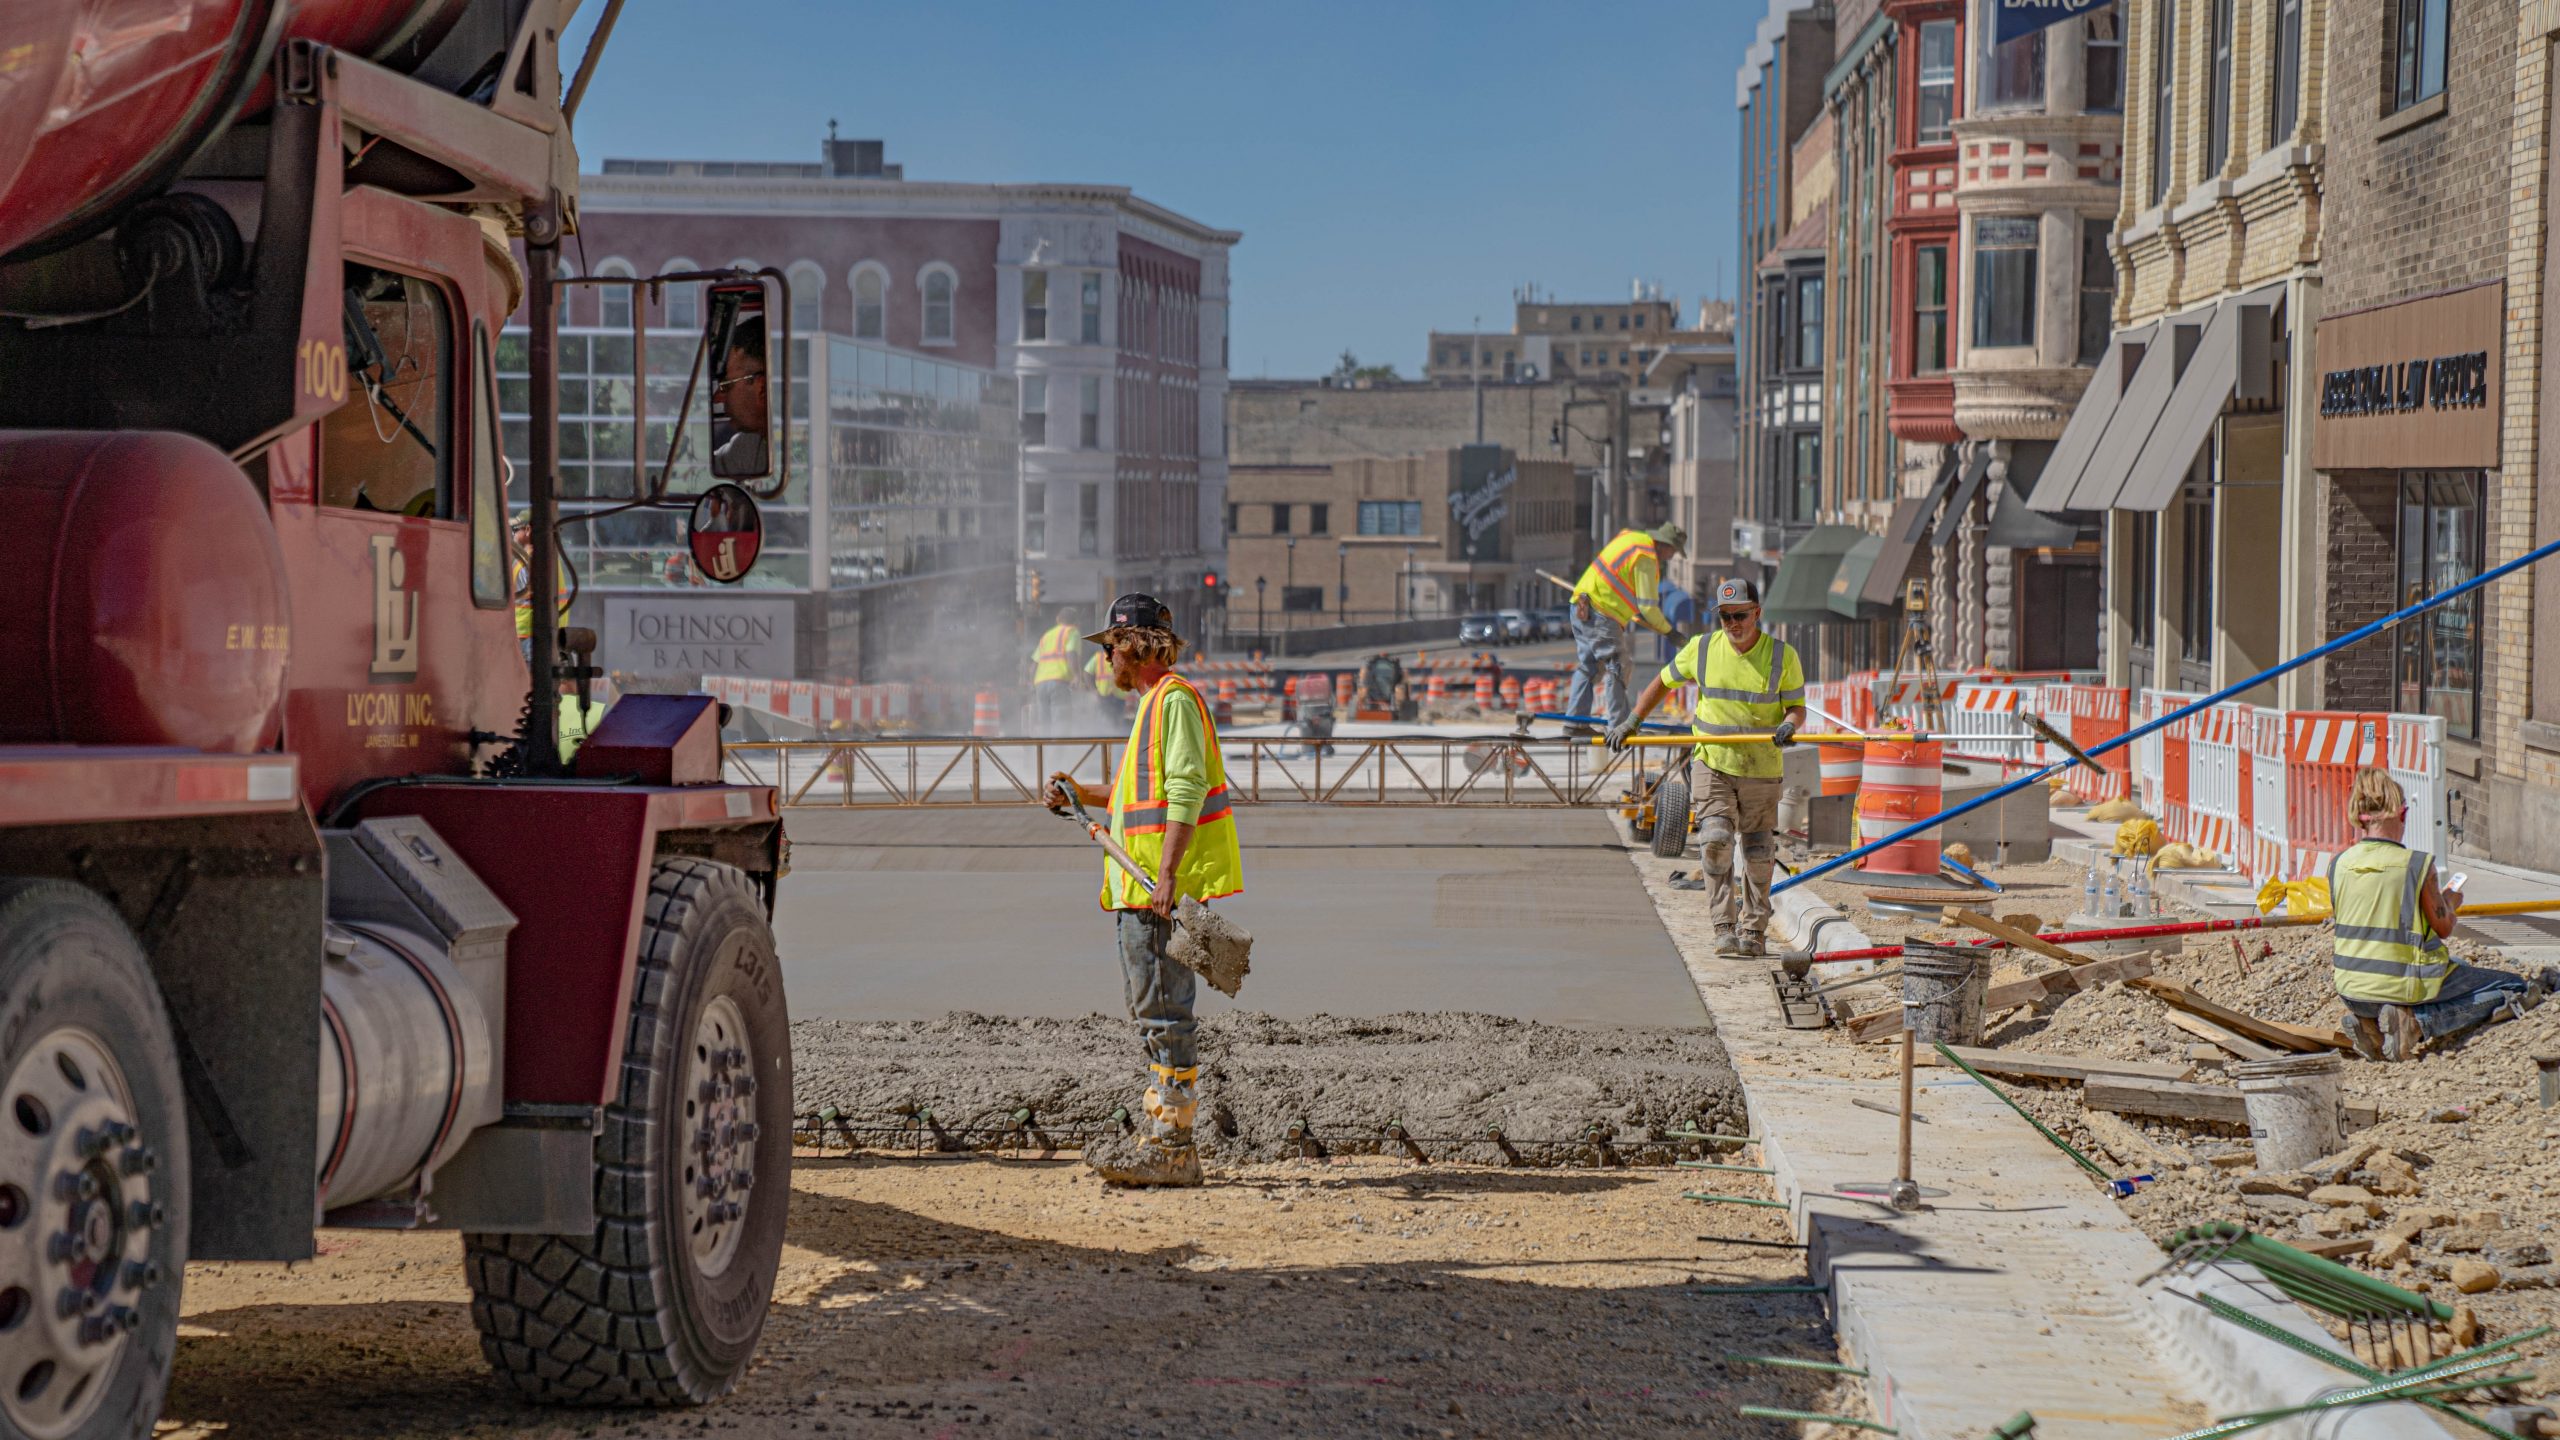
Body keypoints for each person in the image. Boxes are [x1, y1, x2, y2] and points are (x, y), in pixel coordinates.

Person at [1043, 594, 1243, 1187]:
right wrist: (1083, 792)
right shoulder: (1153, 706)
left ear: (1137, 645)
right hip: (1143, 886)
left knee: (1165, 1015)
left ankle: (1174, 1146)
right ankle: (1163, 1130)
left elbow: (1186, 788)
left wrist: (1169, 878)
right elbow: (1139, 796)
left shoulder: (1173, 701)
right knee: (1152, 1011)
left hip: (1155, 890)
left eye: (1110, 646)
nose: (1105, 658)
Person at [1609, 576, 1803, 958]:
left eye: (1740, 615)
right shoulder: (1702, 649)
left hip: (1761, 766)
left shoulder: (1782, 656)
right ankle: (1723, 927)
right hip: (1713, 762)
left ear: (1757, 613)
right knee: (1714, 839)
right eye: (1725, 616)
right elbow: (1661, 683)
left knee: (1759, 851)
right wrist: (1632, 721)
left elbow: (1796, 706)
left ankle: (1754, 931)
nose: (1732, 624)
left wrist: (1789, 725)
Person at [2329, 769, 2551, 1060]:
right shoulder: (2416, 865)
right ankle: (2417, 1024)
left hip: (2351, 989)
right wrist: (2450, 901)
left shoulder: (2339, 864)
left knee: (2456, 966)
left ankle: (2370, 1025)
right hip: (2400, 988)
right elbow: (2443, 927)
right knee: (2512, 985)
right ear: (2402, 813)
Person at [1565, 524, 1684, 736]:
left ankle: (1575, 723)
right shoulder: (1646, 556)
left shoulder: (1630, 538)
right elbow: (1648, 607)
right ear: (1664, 545)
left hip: (1580, 606)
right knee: (1618, 666)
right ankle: (1620, 727)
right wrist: (1670, 632)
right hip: (1602, 612)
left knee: (1589, 667)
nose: (1671, 557)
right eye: (1672, 551)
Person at [711, 315, 769, 475]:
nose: (717, 398)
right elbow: (702, 472)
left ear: (762, 389)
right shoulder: (749, 447)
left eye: (726, 386)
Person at [1029, 607, 1082, 734]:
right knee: (1060, 722)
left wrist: (1031, 683)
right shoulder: (1072, 632)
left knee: (1044, 723)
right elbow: (1071, 653)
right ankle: (1057, 753)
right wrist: (1076, 676)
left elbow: (1034, 664)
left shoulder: (1047, 635)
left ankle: (1043, 752)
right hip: (1059, 681)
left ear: (1058, 619)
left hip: (1040, 683)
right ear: (1075, 621)